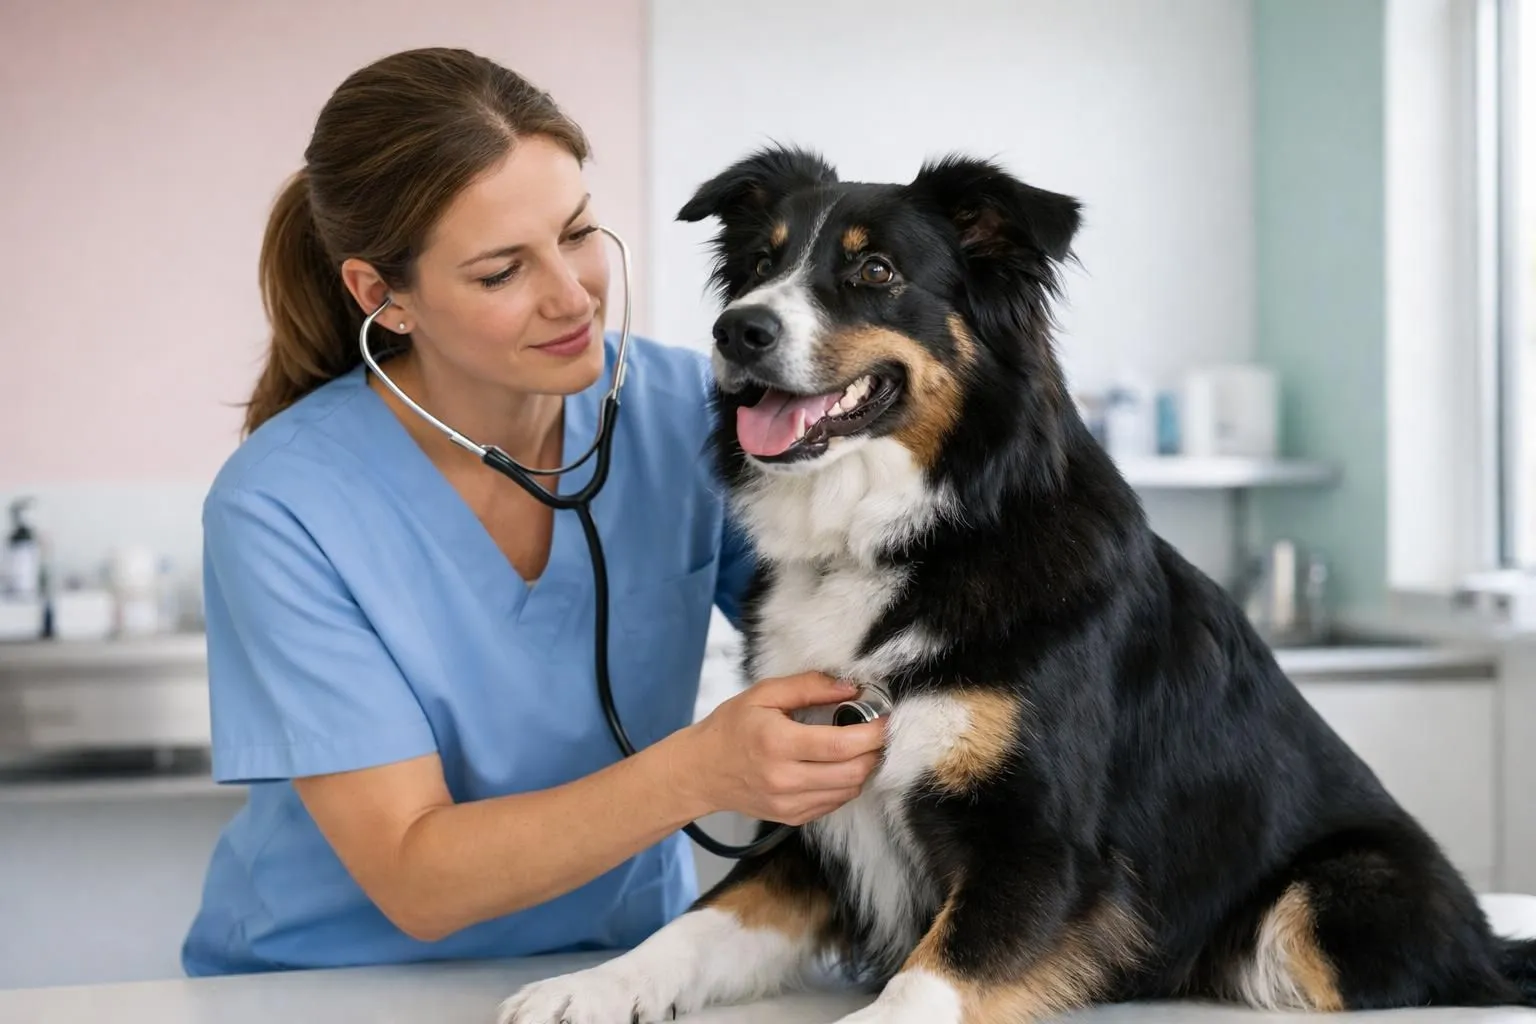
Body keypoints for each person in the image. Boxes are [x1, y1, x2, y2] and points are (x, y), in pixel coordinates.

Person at [180, 46, 885, 977]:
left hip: (617, 970)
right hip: (330, 981)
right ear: (381, 296)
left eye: (579, 232)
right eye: (500, 272)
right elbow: (415, 876)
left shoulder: (689, 412)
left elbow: (877, 620)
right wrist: (706, 769)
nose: (571, 295)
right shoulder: (283, 503)